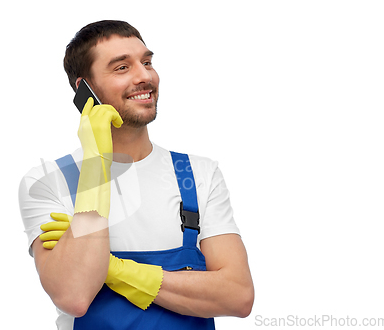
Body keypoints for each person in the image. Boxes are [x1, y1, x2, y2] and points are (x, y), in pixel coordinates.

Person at [18, 20, 254, 329]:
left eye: (147, 62)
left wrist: (113, 269)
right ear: (84, 89)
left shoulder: (197, 174)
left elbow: (237, 296)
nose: (144, 76)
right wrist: (96, 162)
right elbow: (74, 294)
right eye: (121, 68)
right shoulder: (49, 181)